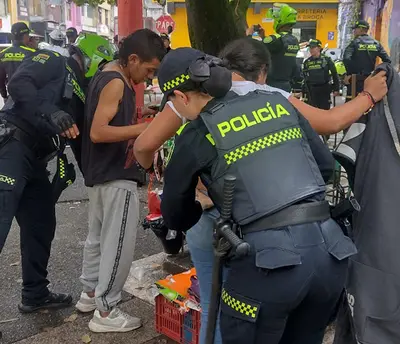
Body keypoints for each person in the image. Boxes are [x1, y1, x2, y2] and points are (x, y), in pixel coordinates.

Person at [134, 38, 387, 344]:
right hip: (329, 257)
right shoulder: (278, 102)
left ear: (178, 96)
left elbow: (175, 216)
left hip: (268, 270)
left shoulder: (196, 133)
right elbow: (324, 167)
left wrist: (207, 203)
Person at [0, 33, 114, 313]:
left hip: (36, 160)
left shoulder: (82, 96)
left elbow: (80, 140)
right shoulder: (53, 60)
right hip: (10, 146)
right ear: (94, 58)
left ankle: (35, 294)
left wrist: (96, 179)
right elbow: (17, 83)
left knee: (41, 223)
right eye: (103, 67)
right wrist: (50, 112)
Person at [76, 29, 166, 333]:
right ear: (132, 59)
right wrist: (143, 127)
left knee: (99, 239)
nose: (149, 77)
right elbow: (99, 132)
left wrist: (141, 115)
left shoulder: (111, 75)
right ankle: (106, 310)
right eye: (149, 70)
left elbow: (111, 121)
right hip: (116, 173)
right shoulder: (115, 82)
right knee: (118, 245)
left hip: (100, 173)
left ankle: (90, 294)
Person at [247, 3, 300, 92]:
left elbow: (255, 48)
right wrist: (263, 37)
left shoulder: (276, 39)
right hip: (286, 85)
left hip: (272, 86)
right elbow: (278, 52)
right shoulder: (294, 40)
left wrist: (249, 35)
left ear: (280, 20)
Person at [343, 19, 391, 101]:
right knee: (368, 101)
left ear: (361, 29)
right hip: (370, 80)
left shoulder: (354, 43)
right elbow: (387, 61)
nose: (354, 31)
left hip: (355, 80)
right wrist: (378, 73)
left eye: (355, 29)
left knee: (353, 103)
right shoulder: (376, 44)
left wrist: (350, 73)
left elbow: (346, 58)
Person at [0, 22, 36, 105]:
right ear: (25, 36)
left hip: (12, 97)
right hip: (29, 97)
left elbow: (0, 79)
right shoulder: (32, 53)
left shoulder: (3, 54)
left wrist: (5, 96)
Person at [303, 39, 340, 110]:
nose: (311, 49)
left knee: (325, 111)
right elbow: (305, 78)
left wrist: (336, 89)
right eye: (310, 47)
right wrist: (304, 91)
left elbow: (334, 74)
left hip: (324, 89)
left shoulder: (327, 60)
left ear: (319, 48)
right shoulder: (307, 62)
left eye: (313, 47)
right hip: (312, 91)